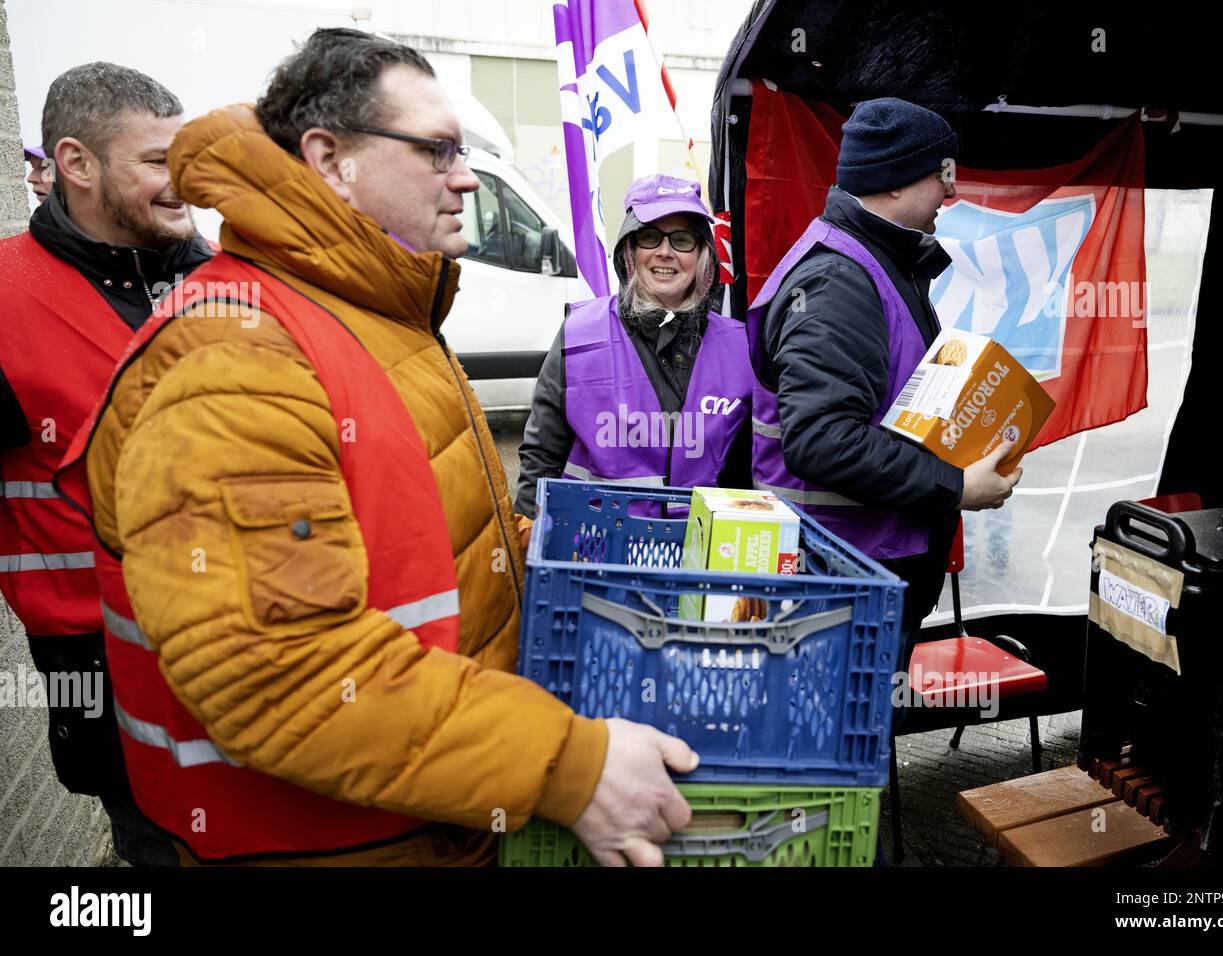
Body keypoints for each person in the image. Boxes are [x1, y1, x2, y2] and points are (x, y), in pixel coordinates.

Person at [56, 28, 695, 868]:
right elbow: (280, 668)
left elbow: (409, 539)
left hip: (422, 820)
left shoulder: (368, 312)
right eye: (436, 150)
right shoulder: (236, 357)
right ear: (329, 158)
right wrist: (566, 766)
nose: (466, 176)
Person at [0, 63, 215, 867]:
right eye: (159, 160)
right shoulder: (6, 297)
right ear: (77, 163)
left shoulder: (218, 277)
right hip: (105, 681)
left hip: (249, 656)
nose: (184, 179)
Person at [747, 97, 1022, 668]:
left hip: (859, 574)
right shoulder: (838, 280)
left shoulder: (875, 261)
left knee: (860, 746)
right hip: (836, 583)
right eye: (942, 174)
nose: (951, 193)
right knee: (839, 748)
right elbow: (821, 437)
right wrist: (955, 485)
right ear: (895, 182)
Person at [515, 174, 751, 516]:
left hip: (700, 559)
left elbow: (747, 474)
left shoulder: (739, 348)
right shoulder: (579, 334)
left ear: (702, 254)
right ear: (631, 249)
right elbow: (541, 458)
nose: (665, 252)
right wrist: (524, 541)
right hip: (595, 552)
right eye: (650, 237)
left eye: (682, 239)